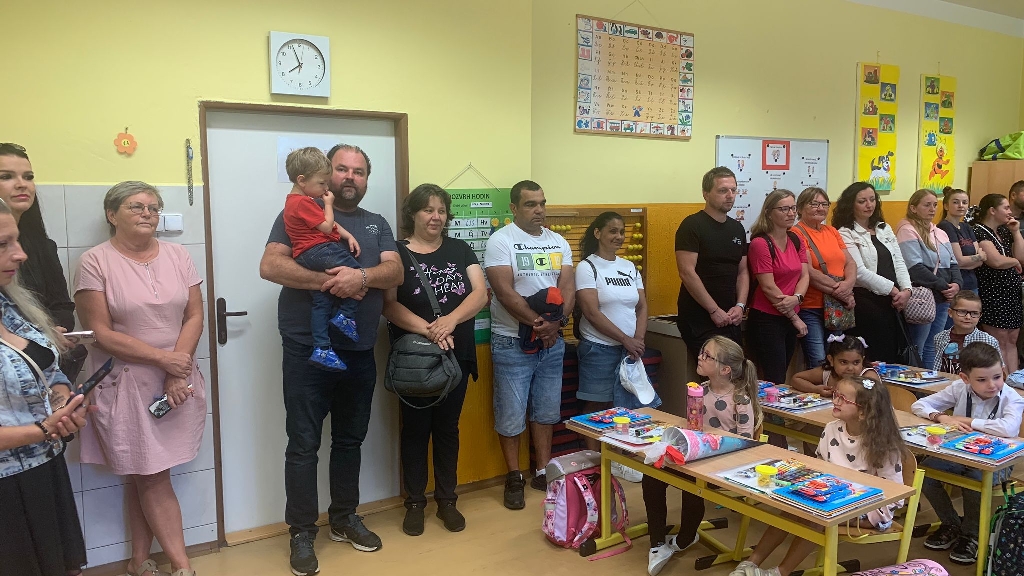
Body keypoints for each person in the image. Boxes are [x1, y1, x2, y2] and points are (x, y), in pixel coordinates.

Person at [259, 144, 402, 576]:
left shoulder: (376, 223)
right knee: (303, 444)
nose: (349, 177)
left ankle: (343, 518)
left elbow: (394, 272)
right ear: (326, 173)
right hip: (307, 350)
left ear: (366, 179)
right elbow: (271, 267)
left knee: (349, 441)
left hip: (359, 351)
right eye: (342, 169)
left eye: (359, 171)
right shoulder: (297, 212)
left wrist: (360, 276)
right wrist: (332, 282)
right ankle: (302, 532)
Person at [75, 182, 206, 576]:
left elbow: (194, 316)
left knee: (144, 474)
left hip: (177, 382)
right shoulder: (94, 261)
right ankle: (182, 567)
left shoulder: (179, 255)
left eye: (154, 207)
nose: (148, 213)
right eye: (136, 206)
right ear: (112, 214)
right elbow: (100, 333)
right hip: (126, 383)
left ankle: (137, 562)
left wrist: (176, 370)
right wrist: (166, 362)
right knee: (150, 474)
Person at [382, 184, 487, 536]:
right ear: (412, 213)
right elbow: (389, 305)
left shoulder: (460, 248)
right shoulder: (396, 252)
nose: (436, 216)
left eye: (441, 210)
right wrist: (431, 331)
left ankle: (447, 501)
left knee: (447, 429)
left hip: (456, 356)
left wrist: (449, 322)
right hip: (415, 360)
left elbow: (480, 294)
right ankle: (415, 503)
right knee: (414, 430)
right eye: (428, 209)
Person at [736, 375, 906, 576]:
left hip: (870, 508)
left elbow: (896, 495)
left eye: (843, 399)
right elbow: (819, 468)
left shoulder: (885, 445)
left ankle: (780, 572)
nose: (835, 401)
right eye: (836, 395)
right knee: (792, 508)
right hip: (829, 495)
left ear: (863, 412)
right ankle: (750, 564)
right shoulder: (832, 429)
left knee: (816, 517)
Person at [0, 197, 90, 576]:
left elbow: (47, 371)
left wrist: (63, 400)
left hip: (42, 469)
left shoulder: (11, 305)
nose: (20, 254)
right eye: (2, 244)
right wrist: (43, 428)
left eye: (16, 240)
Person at [484, 180, 573, 509]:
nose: (539, 210)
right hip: (511, 342)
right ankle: (514, 477)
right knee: (511, 414)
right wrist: (539, 324)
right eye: (530, 204)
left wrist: (556, 325)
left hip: (552, 343)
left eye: (542, 203)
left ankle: (542, 471)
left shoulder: (559, 241)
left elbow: (568, 287)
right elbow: (504, 292)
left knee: (546, 411)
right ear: (514, 208)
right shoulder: (501, 240)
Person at [644, 336, 761, 576]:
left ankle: (687, 536)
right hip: (696, 455)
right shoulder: (700, 390)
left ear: (725, 369)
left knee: (691, 484)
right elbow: (692, 426)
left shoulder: (740, 399)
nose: (700, 357)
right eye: (702, 352)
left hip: (721, 462)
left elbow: (746, 442)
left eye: (707, 356)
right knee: (652, 475)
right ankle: (657, 542)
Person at [912, 342, 1024, 565]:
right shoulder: (959, 388)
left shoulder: (1012, 397)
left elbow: (1009, 428)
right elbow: (920, 405)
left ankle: (972, 535)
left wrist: (967, 421)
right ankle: (951, 523)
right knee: (925, 473)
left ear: (1003, 370)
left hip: (997, 461)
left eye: (997, 377)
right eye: (981, 380)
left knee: (974, 479)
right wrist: (942, 417)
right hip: (959, 452)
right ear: (965, 378)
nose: (992, 385)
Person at [575, 211, 658, 478]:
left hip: (629, 351)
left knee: (625, 409)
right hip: (598, 348)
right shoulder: (587, 267)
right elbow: (591, 312)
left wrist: (638, 340)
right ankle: (598, 463)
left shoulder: (630, 267)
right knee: (596, 407)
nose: (619, 237)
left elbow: (642, 306)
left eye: (622, 232)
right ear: (597, 233)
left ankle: (621, 459)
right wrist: (626, 339)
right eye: (612, 231)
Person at [0, 144, 84, 378]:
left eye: (28, 177)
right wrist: (37, 334)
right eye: (6, 176)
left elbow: (62, 306)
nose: (22, 184)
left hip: (41, 368)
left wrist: (51, 331)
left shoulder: (42, 246)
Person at [283, 147, 362, 371]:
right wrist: (328, 204)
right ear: (301, 180)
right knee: (357, 274)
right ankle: (346, 315)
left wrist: (348, 235)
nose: (326, 188)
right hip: (318, 250)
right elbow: (327, 226)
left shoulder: (296, 202)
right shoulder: (303, 202)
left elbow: (328, 224)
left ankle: (322, 348)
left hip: (305, 255)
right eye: (321, 183)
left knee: (321, 300)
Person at [834, 182, 912, 364]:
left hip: (893, 302)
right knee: (873, 355)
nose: (869, 205)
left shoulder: (884, 228)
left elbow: (898, 261)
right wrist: (893, 290)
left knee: (894, 355)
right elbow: (859, 272)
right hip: (867, 302)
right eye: (862, 201)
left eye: (872, 199)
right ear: (850, 204)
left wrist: (907, 290)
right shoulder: (845, 232)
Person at [675, 167, 748, 356]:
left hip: (730, 315)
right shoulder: (692, 225)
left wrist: (740, 306)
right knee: (713, 369)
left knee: (735, 369)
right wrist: (713, 310)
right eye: (723, 190)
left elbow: (742, 272)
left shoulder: (737, 228)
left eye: (733, 190)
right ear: (706, 194)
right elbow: (687, 272)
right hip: (700, 316)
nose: (730, 195)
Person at [746, 189, 809, 388]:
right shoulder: (760, 243)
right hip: (767, 318)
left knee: (783, 372)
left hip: (791, 312)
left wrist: (797, 298)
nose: (791, 213)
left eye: (793, 208)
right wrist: (794, 317)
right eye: (784, 209)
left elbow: (804, 274)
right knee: (774, 376)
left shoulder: (796, 239)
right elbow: (768, 286)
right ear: (769, 212)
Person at [896, 189, 962, 368]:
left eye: (935, 205)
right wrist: (944, 286)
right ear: (913, 208)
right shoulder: (907, 230)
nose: (932, 209)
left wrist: (957, 284)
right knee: (918, 345)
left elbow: (953, 262)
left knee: (934, 345)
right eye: (927, 205)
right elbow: (914, 267)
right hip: (923, 297)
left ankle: (931, 379)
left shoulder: (940, 232)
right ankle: (915, 381)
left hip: (943, 296)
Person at [792, 187, 856, 368]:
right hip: (811, 307)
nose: (820, 208)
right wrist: (842, 292)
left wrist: (848, 285)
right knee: (818, 361)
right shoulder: (796, 233)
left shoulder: (832, 231)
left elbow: (850, 262)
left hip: (836, 306)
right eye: (814, 204)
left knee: (836, 359)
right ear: (800, 208)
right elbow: (808, 271)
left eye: (824, 204)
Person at [970, 194, 1024, 373]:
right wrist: (1014, 261)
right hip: (994, 293)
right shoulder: (979, 231)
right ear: (992, 210)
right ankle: (1002, 380)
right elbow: (996, 261)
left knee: (1012, 340)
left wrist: (1016, 232)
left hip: (1011, 294)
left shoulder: (1005, 230)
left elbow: (1022, 257)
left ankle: (1014, 381)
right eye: (1006, 208)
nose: (1010, 212)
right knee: (999, 340)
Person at [932, 290, 1001, 373]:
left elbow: (998, 370)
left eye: (974, 313)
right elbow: (938, 366)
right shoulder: (939, 338)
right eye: (962, 312)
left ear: (980, 316)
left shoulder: (989, 341)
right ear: (950, 313)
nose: (968, 317)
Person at [790, 334, 877, 397]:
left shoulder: (868, 375)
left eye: (856, 362)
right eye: (844, 362)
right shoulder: (827, 372)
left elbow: (874, 398)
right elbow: (796, 379)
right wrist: (815, 389)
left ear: (862, 360)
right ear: (831, 360)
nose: (850, 368)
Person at [938, 187, 983, 299]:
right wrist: (978, 257)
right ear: (946, 206)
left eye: (965, 202)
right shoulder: (945, 226)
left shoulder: (966, 227)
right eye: (955, 202)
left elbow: (981, 261)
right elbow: (959, 261)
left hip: (972, 283)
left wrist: (975, 259)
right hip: (955, 285)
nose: (961, 206)